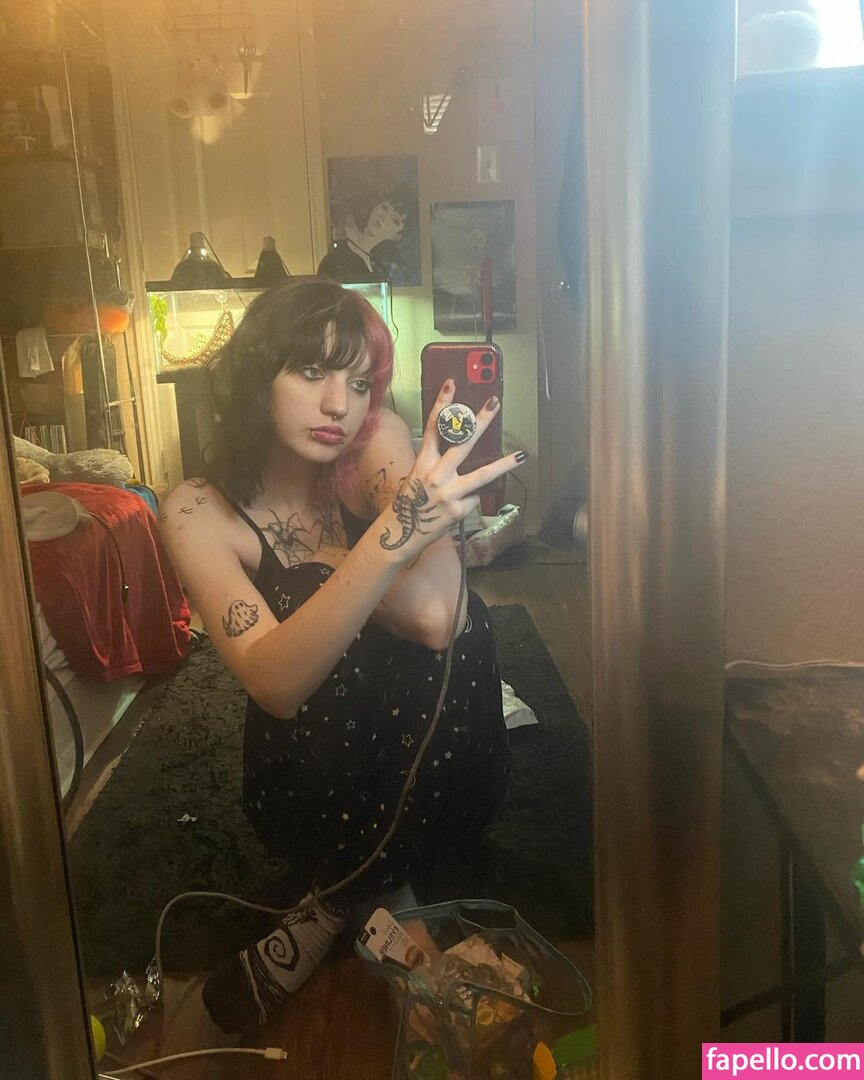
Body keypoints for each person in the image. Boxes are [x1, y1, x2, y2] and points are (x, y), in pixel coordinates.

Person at [158, 278, 527, 1033]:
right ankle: (388, 904)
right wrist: (395, 537)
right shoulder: (198, 508)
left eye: (359, 383)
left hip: (448, 784)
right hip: (309, 796)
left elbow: (435, 618)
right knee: (312, 617)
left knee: (466, 619)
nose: (339, 406)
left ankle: (335, 906)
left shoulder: (374, 443)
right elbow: (276, 682)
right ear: (256, 375)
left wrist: (374, 543)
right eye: (311, 372)